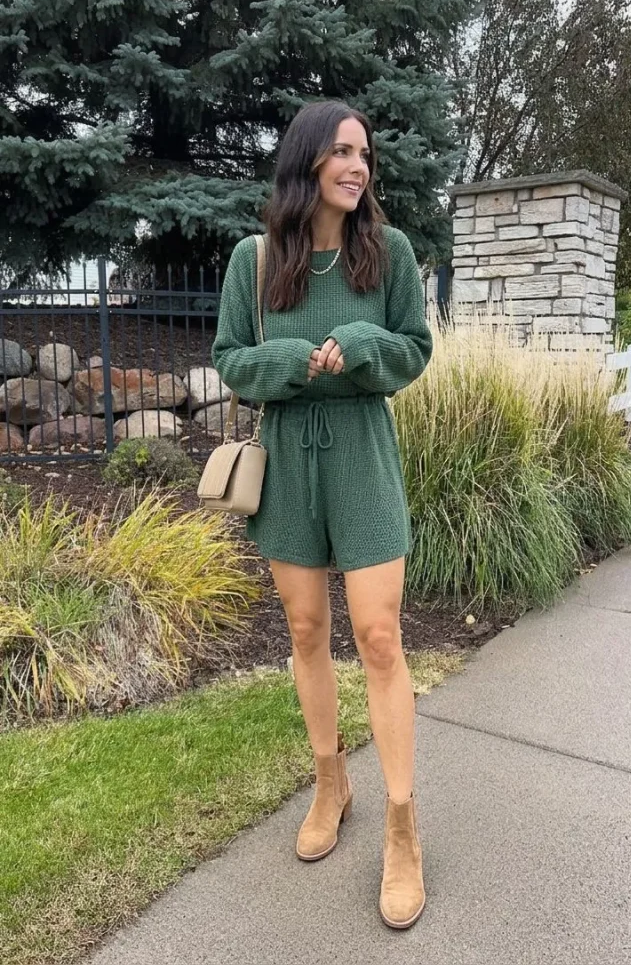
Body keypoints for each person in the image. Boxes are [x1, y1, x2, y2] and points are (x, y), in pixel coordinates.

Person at [211, 100, 434, 929]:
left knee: (378, 637)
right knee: (306, 630)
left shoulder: (390, 252)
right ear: (306, 160)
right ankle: (330, 781)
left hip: (362, 452)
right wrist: (293, 360)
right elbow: (232, 359)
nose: (357, 166)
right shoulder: (255, 258)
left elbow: (413, 347)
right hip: (287, 457)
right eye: (341, 151)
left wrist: (363, 345)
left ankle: (403, 830)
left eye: (364, 154)